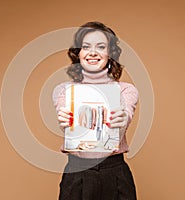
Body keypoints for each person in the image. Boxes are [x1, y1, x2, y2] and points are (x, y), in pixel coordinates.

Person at [52, 21, 138, 200]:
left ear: (110, 53)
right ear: (78, 53)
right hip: (77, 175)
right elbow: (68, 128)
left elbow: (125, 118)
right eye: (86, 47)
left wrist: (122, 119)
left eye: (100, 46)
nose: (92, 52)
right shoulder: (63, 90)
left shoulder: (126, 90)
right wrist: (65, 123)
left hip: (115, 174)